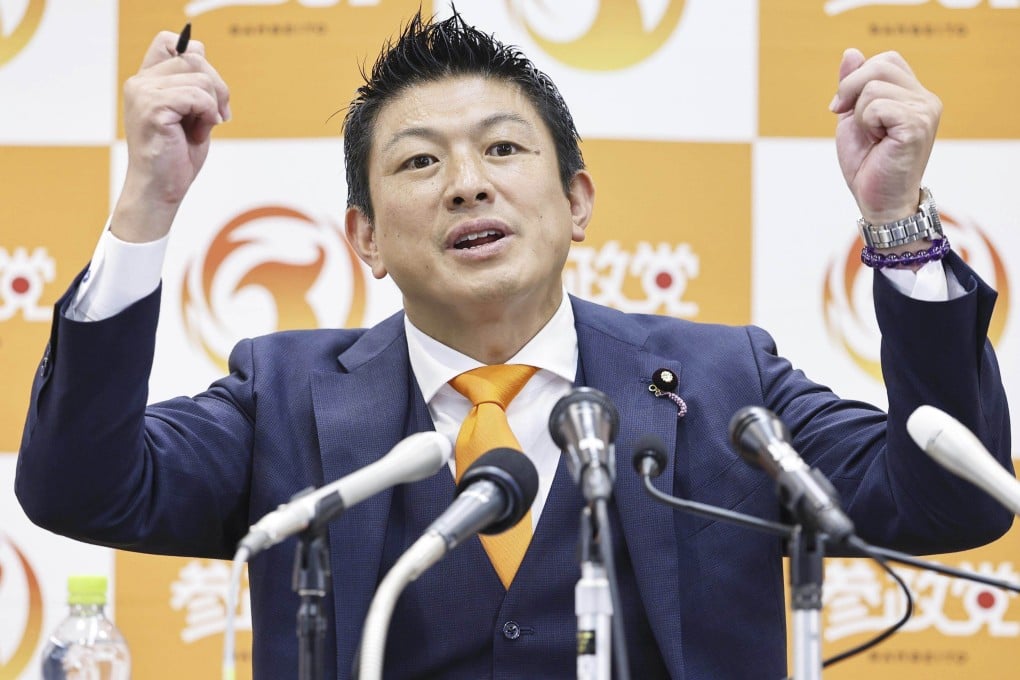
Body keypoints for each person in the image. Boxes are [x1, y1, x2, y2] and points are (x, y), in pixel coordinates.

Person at [15, 10, 1012, 680]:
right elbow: (78, 487)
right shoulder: (283, 394)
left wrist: (900, 226)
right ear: (364, 237)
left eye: (503, 149)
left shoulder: (723, 382)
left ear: (576, 202)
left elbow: (951, 500)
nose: (467, 183)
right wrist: (147, 205)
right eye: (418, 161)